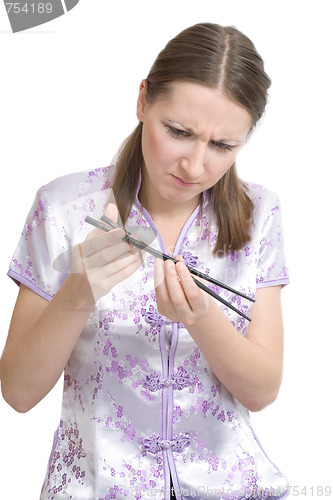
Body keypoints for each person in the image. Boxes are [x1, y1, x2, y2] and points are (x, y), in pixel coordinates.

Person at [0, 22, 289, 500]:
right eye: (178, 132)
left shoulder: (260, 214)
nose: (195, 166)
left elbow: (262, 391)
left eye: (222, 146)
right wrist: (78, 291)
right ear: (142, 101)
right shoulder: (65, 207)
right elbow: (18, 393)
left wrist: (201, 318)